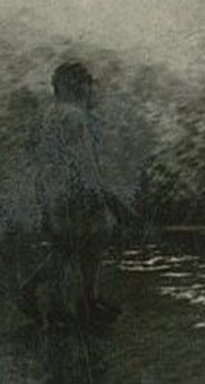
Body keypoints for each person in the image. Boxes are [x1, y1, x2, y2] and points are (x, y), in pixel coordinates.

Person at [19, 61, 133, 323]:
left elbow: (32, 150)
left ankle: (74, 300)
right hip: (76, 190)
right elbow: (85, 162)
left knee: (71, 246)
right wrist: (106, 197)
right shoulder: (75, 117)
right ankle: (42, 291)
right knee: (88, 241)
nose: (92, 91)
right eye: (88, 85)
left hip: (53, 187)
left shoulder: (50, 113)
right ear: (78, 88)